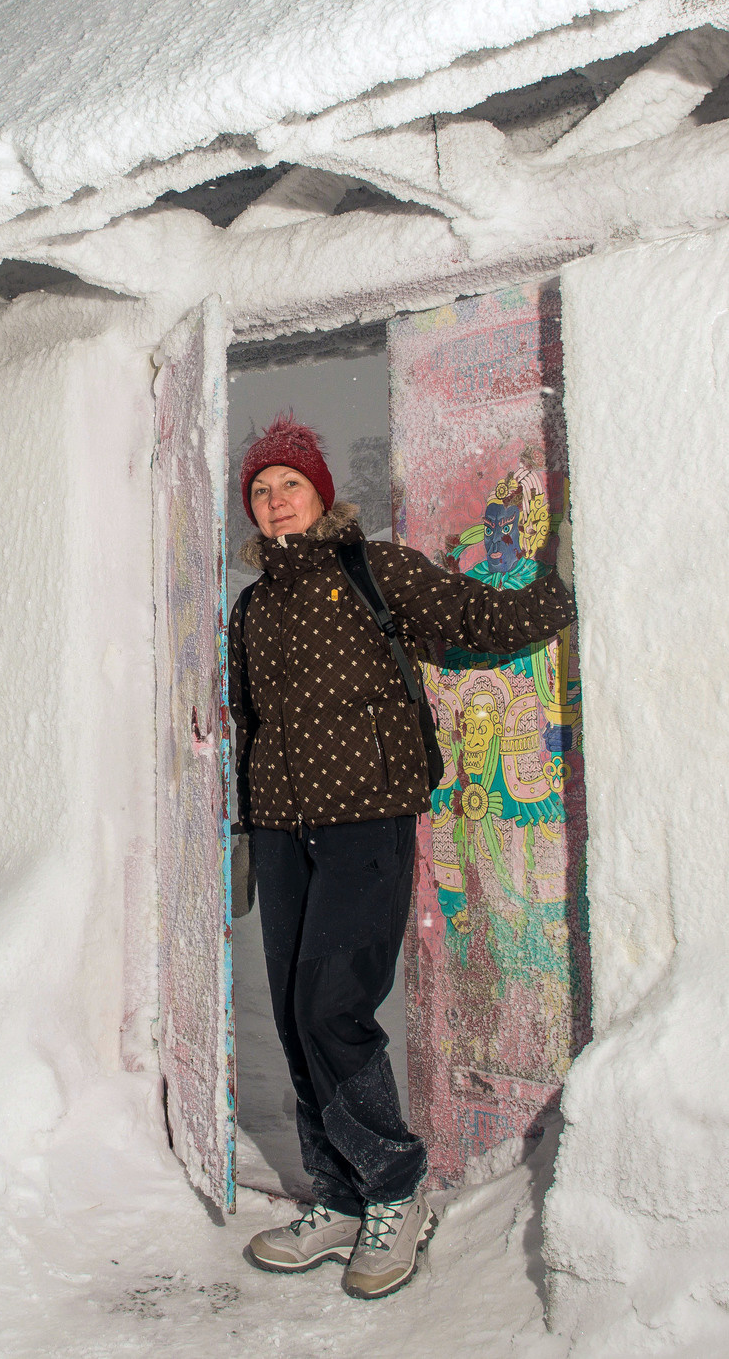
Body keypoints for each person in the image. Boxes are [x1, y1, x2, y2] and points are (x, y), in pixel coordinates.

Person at [229, 414, 574, 1300]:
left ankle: (396, 1185)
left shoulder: (372, 571)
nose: (276, 504)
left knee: (333, 1005)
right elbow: (250, 726)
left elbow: (468, 614)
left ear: (320, 494)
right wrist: (244, 828)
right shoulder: (253, 607)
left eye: (289, 487)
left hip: (364, 821)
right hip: (281, 831)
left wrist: (563, 595)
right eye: (262, 493)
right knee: (298, 1018)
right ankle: (338, 1197)